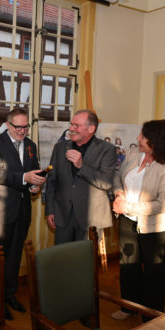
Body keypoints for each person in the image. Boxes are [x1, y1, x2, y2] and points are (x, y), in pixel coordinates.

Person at [0, 109, 45, 320]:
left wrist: (34, 186)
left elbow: (34, 170)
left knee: (14, 258)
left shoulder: (30, 145)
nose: (22, 131)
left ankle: (10, 295)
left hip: (22, 211)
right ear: (8, 125)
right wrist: (25, 178)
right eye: (17, 127)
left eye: (25, 126)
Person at [111, 120, 165, 322]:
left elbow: (162, 204)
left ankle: (152, 319)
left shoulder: (163, 167)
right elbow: (117, 176)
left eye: (142, 136)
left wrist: (129, 207)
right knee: (128, 266)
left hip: (155, 228)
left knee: (154, 273)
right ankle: (129, 307)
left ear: (155, 141)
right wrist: (118, 194)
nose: (137, 139)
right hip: (127, 221)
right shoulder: (134, 155)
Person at [45, 109, 117, 244]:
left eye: (76, 125)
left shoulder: (107, 150)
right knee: (61, 260)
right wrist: (50, 210)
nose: (71, 129)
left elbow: (106, 182)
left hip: (91, 218)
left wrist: (81, 166)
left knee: (86, 262)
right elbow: (52, 181)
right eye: (71, 124)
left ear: (91, 129)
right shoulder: (60, 148)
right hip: (63, 215)